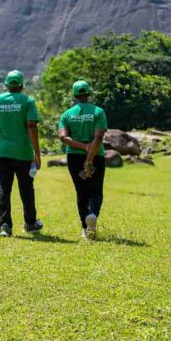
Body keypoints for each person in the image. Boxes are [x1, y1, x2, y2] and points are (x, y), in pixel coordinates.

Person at [0, 70, 43, 237]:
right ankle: (30, 223)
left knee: (3, 187)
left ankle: (5, 226)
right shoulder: (28, 101)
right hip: (23, 153)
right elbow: (32, 125)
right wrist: (37, 153)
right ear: (22, 85)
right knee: (26, 188)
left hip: (2, 152)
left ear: (7, 85)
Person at [58, 80, 107, 240]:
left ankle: (85, 228)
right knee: (96, 190)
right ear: (88, 93)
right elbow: (99, 136)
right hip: (96, 156)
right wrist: (90, 157)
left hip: (73, 157)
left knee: (81, 191)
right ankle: (92, 214)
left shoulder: (66, 115)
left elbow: (63, 136)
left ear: (74, 95)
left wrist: (82, 146)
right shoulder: (98, 112)